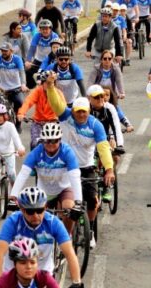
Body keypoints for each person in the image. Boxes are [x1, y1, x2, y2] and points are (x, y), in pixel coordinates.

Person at [0, 187, 82, 288]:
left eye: (39, 210)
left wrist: (76, 283)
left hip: (43, 274)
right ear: (21, 208)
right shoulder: (13, 222)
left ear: (45, 207)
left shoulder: (53, 223)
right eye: (30, 211)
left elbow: (70, 253)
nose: (35, 215)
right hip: (14, 274)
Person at [48, 98, 113, 246]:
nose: (81, 115)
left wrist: (109, 169)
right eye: (78, 112)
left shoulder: (96, 125)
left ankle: (89, 231)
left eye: (84, 112)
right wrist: (51, 86)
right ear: (73, 111)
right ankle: (65, 234)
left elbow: (103, 148)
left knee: (92, 200)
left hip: (86, 167)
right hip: (64, 168)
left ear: (89, 111)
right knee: (63, 204)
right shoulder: (65, 116)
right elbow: (56, 103)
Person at [10, 122, 83, 235]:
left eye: (54, 140)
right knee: (37, 219)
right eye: (47, 141)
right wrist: (13, 196)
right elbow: (23, 173)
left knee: (68, 209)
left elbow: (75, 176)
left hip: (64, 188)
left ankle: (67, 236)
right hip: (44, 191)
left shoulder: (67, 151)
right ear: (43, 141)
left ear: (60, 139)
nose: (51, 144)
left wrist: (78, 201)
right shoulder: (37, 152)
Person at [0, 42, 28, 130]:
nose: (3, 53)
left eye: (5, 51)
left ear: (11, 51)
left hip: (16, 87)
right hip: (2, 88)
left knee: (20, 103)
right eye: (2, 51)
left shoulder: (17, 59)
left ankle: (18, 124)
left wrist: (23, 84)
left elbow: (22, 73)